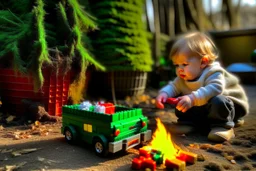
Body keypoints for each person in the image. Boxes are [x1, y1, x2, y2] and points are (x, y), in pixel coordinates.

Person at [156, 31, 249, 142]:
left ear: (203, 62)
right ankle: (189, 123)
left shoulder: (213, 72)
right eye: (177, 65)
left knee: (217, 100)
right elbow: (173, 87)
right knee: (182, 100)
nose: (180, 69)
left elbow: (216, 88)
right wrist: (164, 94)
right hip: (206, 107)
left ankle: (223, 126)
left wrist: (192, 98)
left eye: (185, 64)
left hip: (230, 106)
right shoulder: (183, 77)